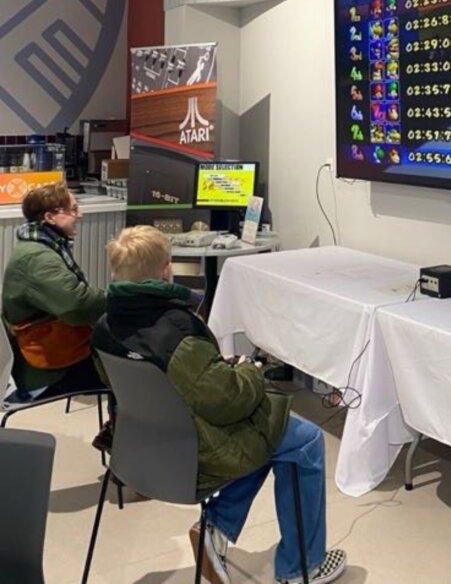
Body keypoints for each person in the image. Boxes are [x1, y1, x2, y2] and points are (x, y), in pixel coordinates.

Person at [93, 225, 347, 584]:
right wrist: (252, 371)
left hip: (135, 452)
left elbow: (120, 381)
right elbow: (228, 402)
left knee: (272, 432)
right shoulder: (177, 331)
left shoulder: (104, 326)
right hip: (191, 455)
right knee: (300, 438)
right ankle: (301, 566)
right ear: (167, 269)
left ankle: (217, 526)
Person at [1, 182, 109, 417]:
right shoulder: (39, 258)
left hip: (52, 344)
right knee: (126, 369)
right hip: (48, 364)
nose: (79, 215)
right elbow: (77, 305)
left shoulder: (39, 247)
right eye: (72, 210)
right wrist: (119, 297)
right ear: (49, 217)